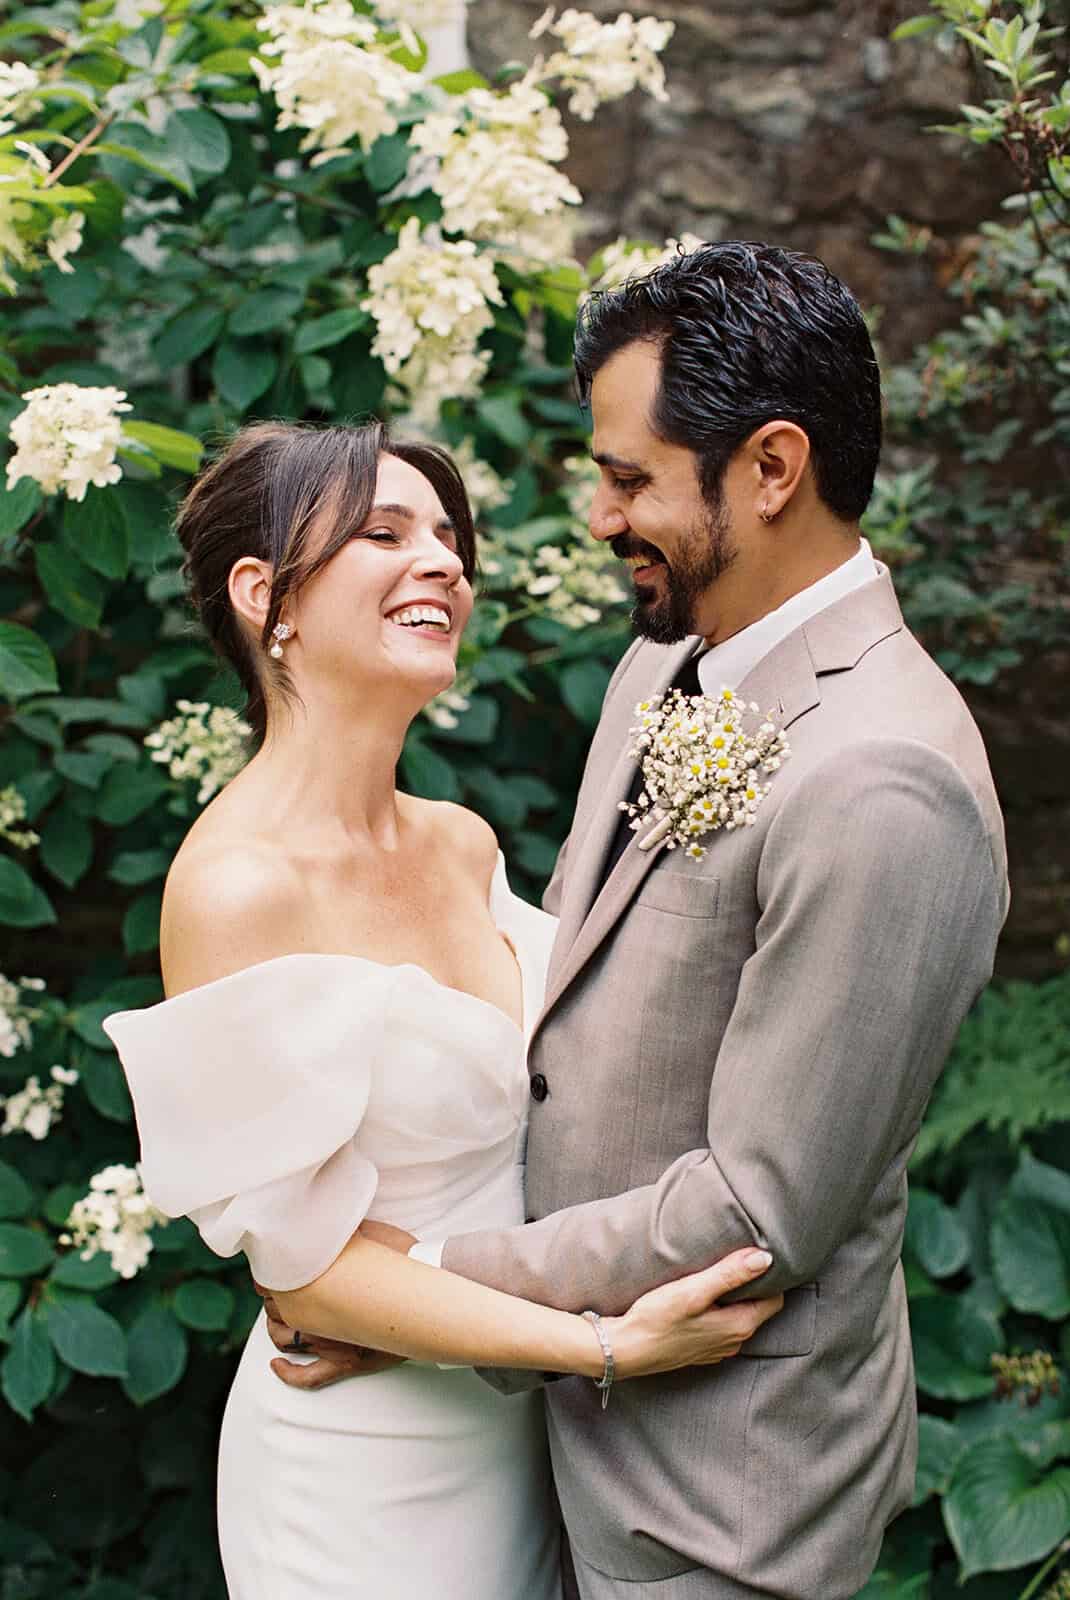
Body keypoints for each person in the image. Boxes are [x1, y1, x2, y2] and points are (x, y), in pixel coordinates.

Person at [269, 245, 1011, 1600]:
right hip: (541, 1437)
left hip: (714, 1502)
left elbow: (759, 1203)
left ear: (769, 469)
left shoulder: (885, 779)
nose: (600, 517)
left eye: (629, 480)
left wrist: (433, 1286)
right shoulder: (661, 662)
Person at [102, 419, 783, 1600]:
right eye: (384, 532)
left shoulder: (462, 843)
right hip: (363, 1472)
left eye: (448, 536)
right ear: (267, 596)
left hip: (524, 1445)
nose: (446, 563)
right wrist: (603, 1346)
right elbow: (306, 1274)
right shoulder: (233, 886)